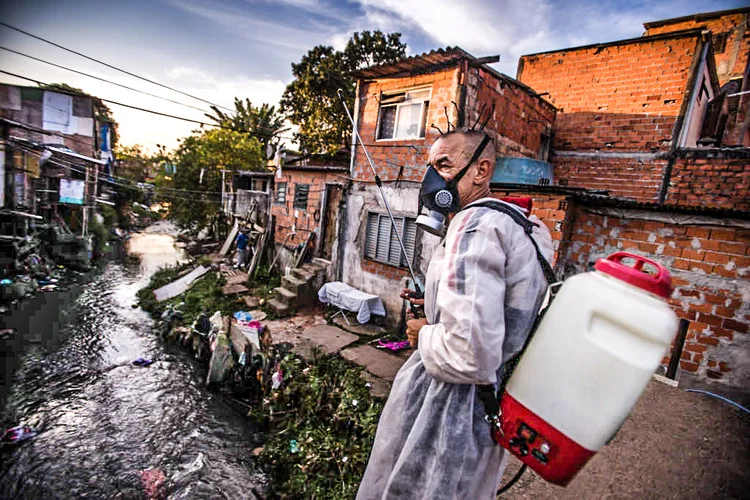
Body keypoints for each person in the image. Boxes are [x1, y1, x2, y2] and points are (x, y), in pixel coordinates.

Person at [356, 130, 552, 500]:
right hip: (488, 403)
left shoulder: (474, 224)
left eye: (444, 165)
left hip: (450, 409)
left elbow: (467, 354)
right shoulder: (526, 226)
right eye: (431, 166)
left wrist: (421, 334)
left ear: (481, 170)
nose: (433, 179)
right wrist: (433, 310)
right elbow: (495, 315)